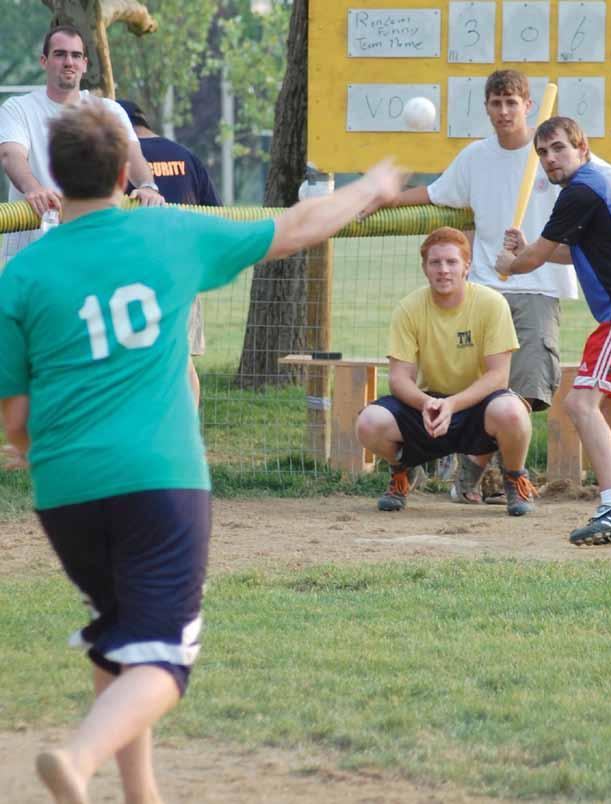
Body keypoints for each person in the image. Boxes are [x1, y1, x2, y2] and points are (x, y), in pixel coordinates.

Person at [0, 99, 403, 804]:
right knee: (166, 656)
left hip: (66, 490)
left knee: (119, 632)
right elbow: (294, 228)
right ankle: (79, 756)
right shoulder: (167, 232)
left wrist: (42, 454)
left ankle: (142, 795)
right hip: (158, 479)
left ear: (55, 179)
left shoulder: (22, 274)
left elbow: (15, 414)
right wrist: (370, 187)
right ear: (126, 173)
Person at [362, 70, 611, 503]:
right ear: (487, 108)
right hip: (496, 290)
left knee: (541, 396)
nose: (549, 157)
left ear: (529, 107)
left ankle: (508, 474)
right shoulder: (481, 158)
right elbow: (436, 194)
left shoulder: (582, 184)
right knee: (582, 407)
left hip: (574, 297)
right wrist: (381, 197)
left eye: (512, 102)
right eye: (496, 103)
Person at [496, 116, 611, 546]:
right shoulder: (601, 183)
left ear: (582, 149)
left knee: (580, 404)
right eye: (542, 152)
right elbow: (571, 251)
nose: (550, 159)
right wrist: (529, 252)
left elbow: (531, 260)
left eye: (559, 148)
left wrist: (512, 262)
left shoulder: (579, 191)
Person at [355, 226, 537, 517]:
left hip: (479, 405)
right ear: (424, 268)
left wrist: (453, 404)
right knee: (369, 422)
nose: (443, 270)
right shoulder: (408, 308)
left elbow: (498, 377)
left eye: (452, 262)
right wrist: (427, 403)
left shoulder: (492, 304)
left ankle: (515, 479)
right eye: (435, 262)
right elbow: (399, 378)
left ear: (467, 266)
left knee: (513, 412)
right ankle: (402, 471)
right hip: (430, 405)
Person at [0, 25, 165, 262]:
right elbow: (10, 156)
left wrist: (148, 187)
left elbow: (133, 156)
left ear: (85, 64)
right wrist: (33, 189)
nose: (69, 62)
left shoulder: (109, 110)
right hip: (32, 254)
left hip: (92, 253)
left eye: (76, 55)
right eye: (60, 54)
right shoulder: (17, 108)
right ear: (44, 61)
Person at [117, 98, 222, 406]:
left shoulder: (120, 157)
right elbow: (214, 214)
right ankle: (186, 426)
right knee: (180, 360)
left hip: (133, 274)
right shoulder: (185, 156)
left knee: (134, 361)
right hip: (182, 272)